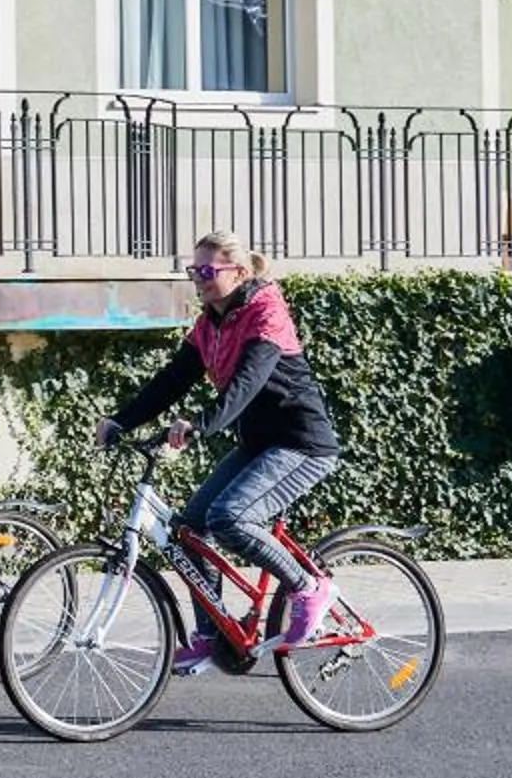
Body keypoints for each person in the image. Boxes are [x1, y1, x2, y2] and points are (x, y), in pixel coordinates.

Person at [97, 231, 344, 672]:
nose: (200, 280)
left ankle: (307, 588)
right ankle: (211, 637)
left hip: (301, 444)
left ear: (240, 272)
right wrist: (121, 420)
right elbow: (173, 379)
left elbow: (248, 383)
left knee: (230, 517)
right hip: (258, 444)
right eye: (195, 271)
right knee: (190, 528)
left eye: (208, 271)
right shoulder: (210, 321)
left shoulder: (267, 313)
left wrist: (199, 425)